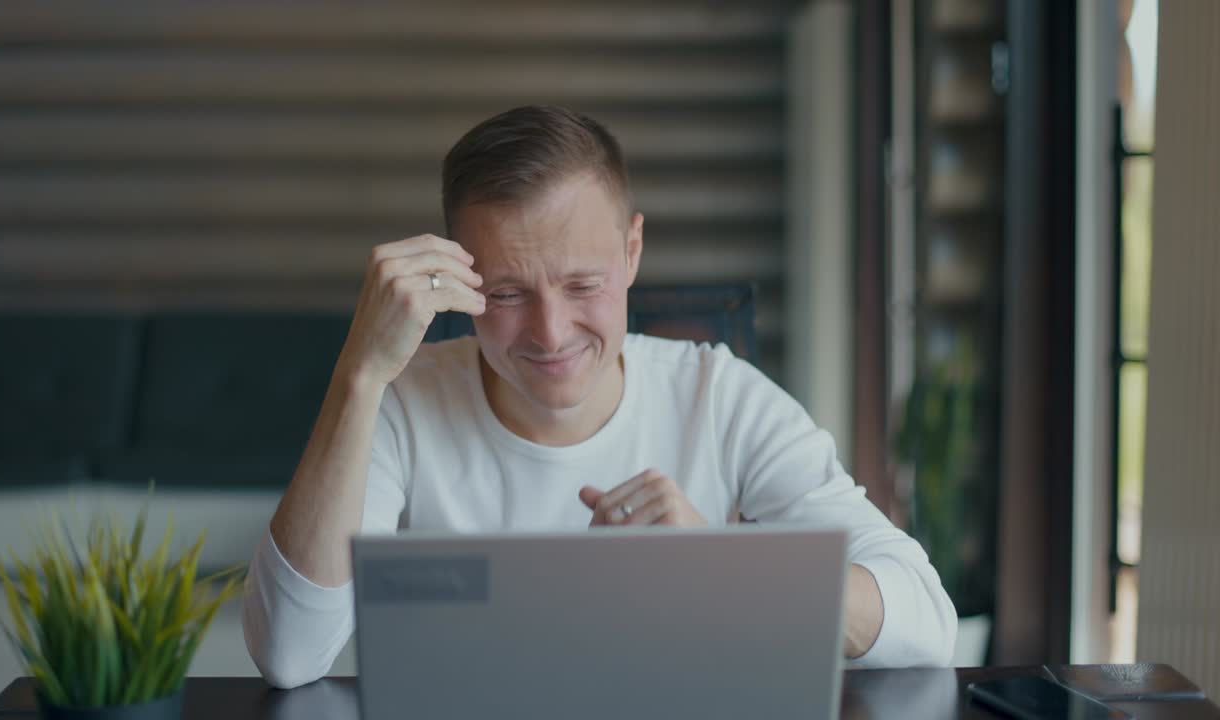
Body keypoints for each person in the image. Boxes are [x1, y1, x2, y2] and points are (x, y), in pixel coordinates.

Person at [241, 105, 957, 689]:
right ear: (458, 282)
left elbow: (926, 620)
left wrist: (725, 567)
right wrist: (359, 375)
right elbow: (289, 655)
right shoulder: (402, 402)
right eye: (506, 293)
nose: (551, 333)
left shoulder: (721, 396)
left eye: (583, 286)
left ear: (632, 252)